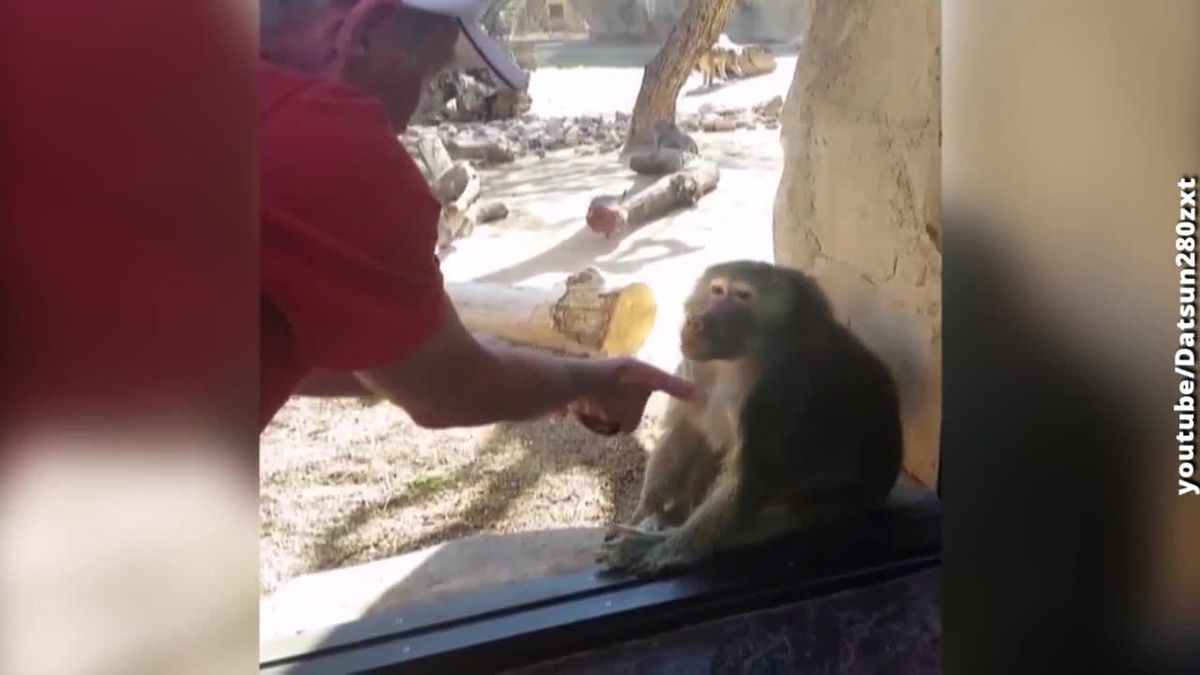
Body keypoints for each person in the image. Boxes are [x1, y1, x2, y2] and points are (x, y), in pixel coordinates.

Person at [258, 0, 697, 434]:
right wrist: (591, 378)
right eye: (430, 75)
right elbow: (446, 390)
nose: (412, 112)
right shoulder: (331, 147)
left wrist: (522, 375)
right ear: (366, 30)